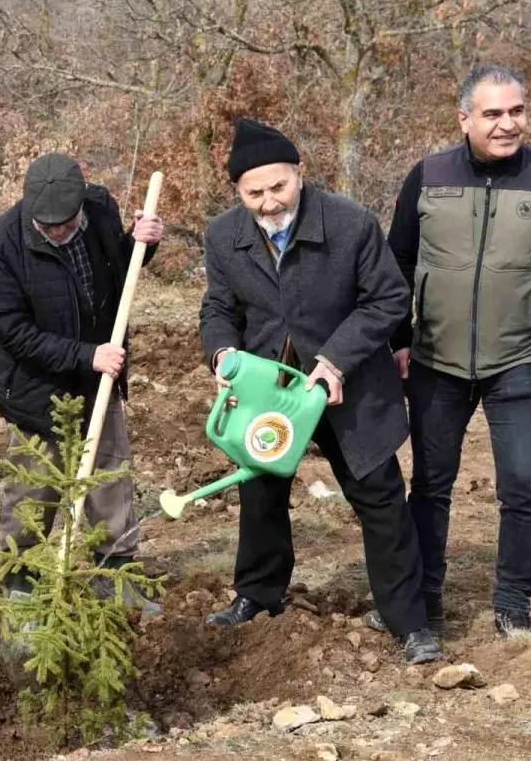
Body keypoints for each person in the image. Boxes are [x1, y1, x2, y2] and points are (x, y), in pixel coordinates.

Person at [198, 118, 441, 665]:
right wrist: (222, 355)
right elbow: (218, 308)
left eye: (277, 187)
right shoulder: (223, 236)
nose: (267, 202)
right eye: (253, 192)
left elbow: (386, 299)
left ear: (300, 175)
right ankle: (257, 597)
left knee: (379, 500)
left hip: (345, 387)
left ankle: (409, 620)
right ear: (238, 192)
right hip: (268, 389)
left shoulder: (351, 223)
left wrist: (335, 361)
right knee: (259, 496)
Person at [372, 62, 531, 637]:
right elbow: (395, 264)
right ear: (464, 117)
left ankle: (513, 603)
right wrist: (399, 341)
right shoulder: (427, 175)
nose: (507, 124)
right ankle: (423, 598)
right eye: (493, 113)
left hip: (521, 362)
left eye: (516, 111)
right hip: (434, 360)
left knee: (521, 486)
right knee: (429, 483)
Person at [0, 152, 164, 616]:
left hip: (101, 375)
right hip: (37, 386)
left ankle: (112, 575)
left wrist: (140, 243)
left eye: (66, 221)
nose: (58, 230)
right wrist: (87, 355)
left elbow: (118, 275)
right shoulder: (1, 246)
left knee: (111, 477)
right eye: (47, 224)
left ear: (81, 203)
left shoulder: (99, 208)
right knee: (35, 487)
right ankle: (20, 582)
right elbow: (12, 331)